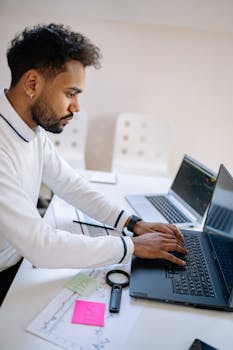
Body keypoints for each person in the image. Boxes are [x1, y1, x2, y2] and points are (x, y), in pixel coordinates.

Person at [0, 23, 187, 305]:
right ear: (32, 84)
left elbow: (68, 182)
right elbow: (41, 246)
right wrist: (130, 246)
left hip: (18, 259)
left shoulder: (30, 130)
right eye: (70, 93)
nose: (76, 107)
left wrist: (131, 223)